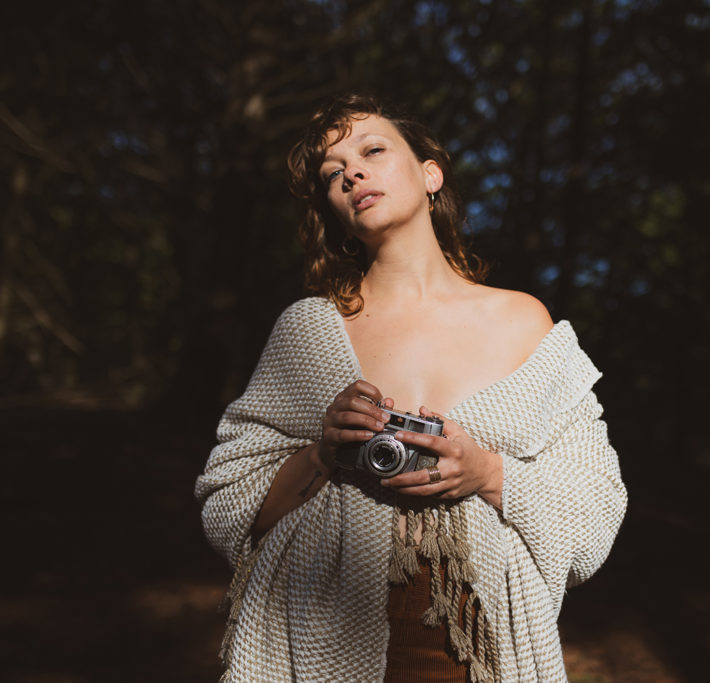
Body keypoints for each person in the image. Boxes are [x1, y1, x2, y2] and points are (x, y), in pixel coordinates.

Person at [195, 93, 627, 682]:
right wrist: (323, 452)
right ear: (333, 207)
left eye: (372, 150)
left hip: (476, 651)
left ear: (431, 173)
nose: (352, 172)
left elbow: (596, 507)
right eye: (332, 174)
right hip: (313, 646)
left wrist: (488, 472)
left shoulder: (525, 322)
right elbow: (229, 503)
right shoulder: (309, 329)